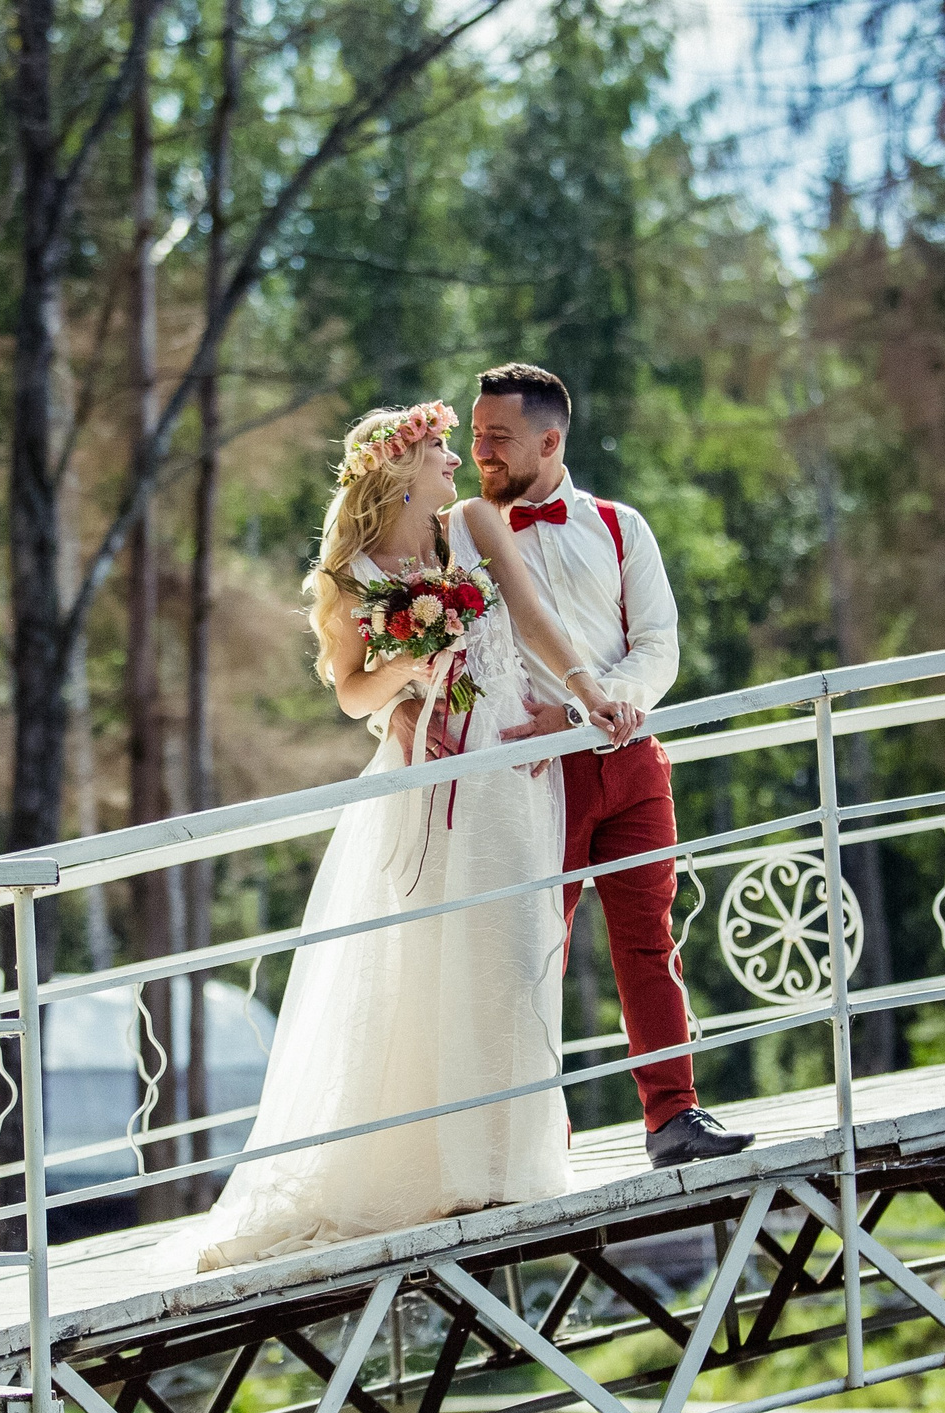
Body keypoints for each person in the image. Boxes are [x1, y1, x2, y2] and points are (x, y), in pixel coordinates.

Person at [193, 401, 644, 1271]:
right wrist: (415, 661)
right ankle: (436, 1170)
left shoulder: (473, 524)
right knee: (424, 964)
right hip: (421, 782)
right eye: (441, 448)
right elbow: (354, 693)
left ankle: (509, 1165)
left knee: (514, 954)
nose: (457, 460)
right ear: (398, 469)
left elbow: (534, 615)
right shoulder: (351, 570)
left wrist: (588, 688)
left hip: (505, 768)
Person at [392, 363, 755, 1168]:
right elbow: (409, 645)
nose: (478, 450)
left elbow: (658, 645)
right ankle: (529, 1145)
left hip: (628, 766)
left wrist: (601, 708)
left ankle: (674, 1119)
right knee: (526, 952)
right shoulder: (454, 533)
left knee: (649, 943)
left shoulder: (622, 526)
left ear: (550, 441)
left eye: (497, 438)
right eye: (476, 435)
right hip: (524, 778)